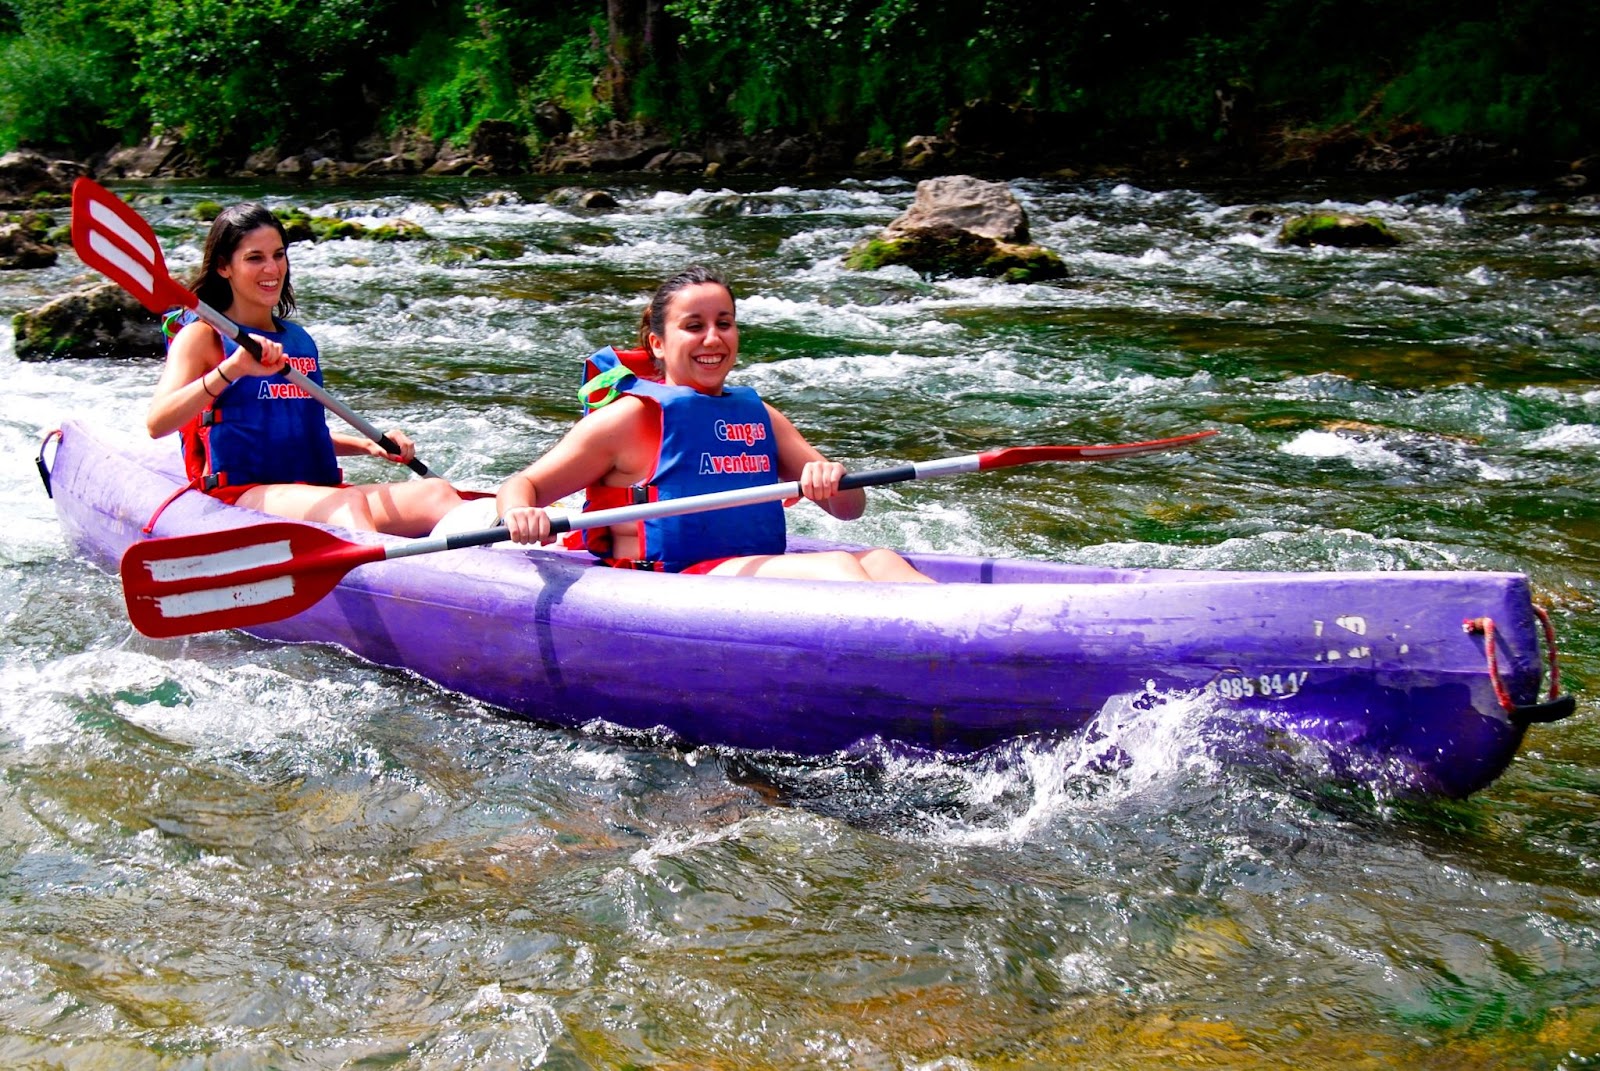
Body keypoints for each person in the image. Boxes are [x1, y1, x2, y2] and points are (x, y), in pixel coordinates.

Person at [496, 266, 934, 582]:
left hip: (750, 571)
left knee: (882, 561)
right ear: (658, 344)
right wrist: (519, 512)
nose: (712, 338)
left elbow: (849, 509)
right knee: (839, 570)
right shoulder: (626, 420)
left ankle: (977, 653)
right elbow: (523, 484)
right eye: (693, 326)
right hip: (674, 578)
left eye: (723, 323)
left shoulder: (761, 417)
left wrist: (832, 479)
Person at [146, 203, 461, 536]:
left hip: (313, 494)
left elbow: (294, 433)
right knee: (346, 506)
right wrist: (232, 369)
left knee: (435, 493)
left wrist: (368, 446)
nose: (272, 269)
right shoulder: (203, 336)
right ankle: (386, 581)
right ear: (224, 266)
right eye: (255, 258)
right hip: (242, 497)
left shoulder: (297, 340)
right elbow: (158, 423)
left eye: (278, 255)